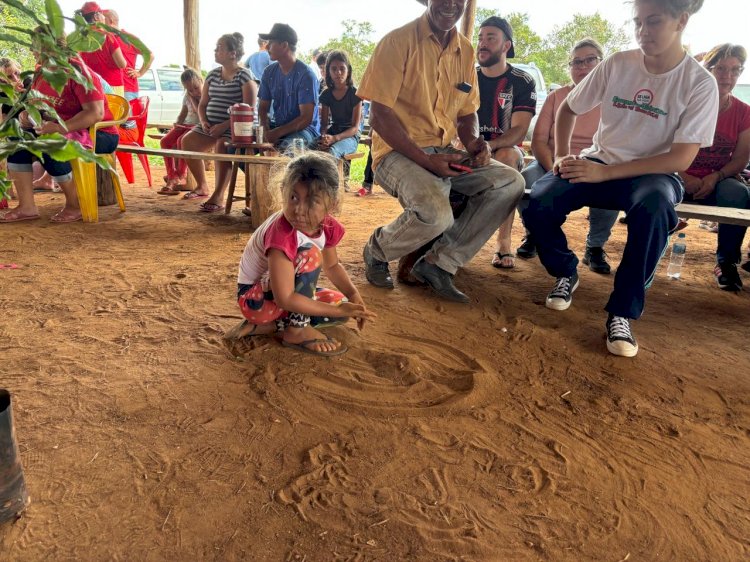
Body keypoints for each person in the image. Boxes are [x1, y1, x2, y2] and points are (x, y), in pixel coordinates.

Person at [522, 0, 719, 358]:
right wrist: (565, 155)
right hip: (599, 161)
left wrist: (605, 172)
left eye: (653, 22)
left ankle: (622, 311)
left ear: (682, 21)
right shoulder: (618, 64)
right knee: (538, 199)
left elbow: (681, 157)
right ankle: (566, 271)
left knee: (656, 207)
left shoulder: (700, 83)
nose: (643, 32)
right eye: (638, 23)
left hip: (652, 174)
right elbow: (569, 108)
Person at [358, 0, 525, 303]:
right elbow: (379, 116)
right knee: (436, 214)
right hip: (397, 153)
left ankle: (440, 262)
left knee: (510, 182)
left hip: (444, 151)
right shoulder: (397, 42)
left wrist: (474, 142)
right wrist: (426, 161)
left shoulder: (465, 50)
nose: (450, 5)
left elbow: (466, 113)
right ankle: (377, 250)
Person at [229, 151, 375, 356]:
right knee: (311, 255)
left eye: (312, 201)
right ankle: (296, 331)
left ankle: (274, 327)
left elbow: (332, 266)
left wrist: (354, 296)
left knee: (342, 305)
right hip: (256, 301)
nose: (299, 209)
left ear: (331, 204)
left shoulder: (327, 226)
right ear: (283, 192)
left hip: (279, 298)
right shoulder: (281, 232)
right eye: (293, 197)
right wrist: (336, 311)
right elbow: (285, 299)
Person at [519, 39, 620, 274]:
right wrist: (555, 165)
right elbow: (539, 141)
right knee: (525, 182)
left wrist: (593, 168)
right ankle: (537, 233)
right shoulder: (557, 97)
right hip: (551, 162)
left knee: (610, 187)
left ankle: (595, 246)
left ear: (602, 63)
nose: (582, 67)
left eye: (590, 60)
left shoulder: (615, 100)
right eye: (576, 62)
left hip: (596, 164)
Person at [1, 31, 120, 224]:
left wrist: (58, 128)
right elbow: (39, 104)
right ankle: (27, 206)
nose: (32, 50)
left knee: (50, 144)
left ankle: (75, 204)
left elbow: (95, 113)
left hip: (98, 133)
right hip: (64, 128)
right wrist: (26, 116)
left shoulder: (79, 73)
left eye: (35, 45)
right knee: (16, 139)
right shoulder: (42, 72)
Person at [678, 44, 750, 291]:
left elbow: (740, 159)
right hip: (676, 173)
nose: (727, 77)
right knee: (653, 188)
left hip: (718, 178)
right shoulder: (682, 104)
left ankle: (726, 262)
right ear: (705, 69)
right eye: (720, 68)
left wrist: (715, 177)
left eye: (735, 70)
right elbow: (660, 147)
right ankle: (645, 251)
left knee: (738, 194)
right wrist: (683, 174)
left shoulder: (743, 112)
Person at [475, 16, 537, 270]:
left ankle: (504, 241)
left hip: (504, 150)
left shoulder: (522, 81)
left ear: (506, 46)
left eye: (491, 38)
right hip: (469, 146)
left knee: (508, 157)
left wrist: (490, 146)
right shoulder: (467, 78)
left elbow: (519, 130)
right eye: (480, 38)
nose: (483, 44)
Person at [179, 33, 257, 212]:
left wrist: (223, 126)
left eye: (220, 48)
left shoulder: (244, 76)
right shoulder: (212, 75)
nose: (215, 50)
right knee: (187, 142)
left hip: (237, 127)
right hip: (210, 124)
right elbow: (203, 104)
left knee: (223, 144)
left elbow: (249, 109)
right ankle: (202, 185)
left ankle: (219, 196)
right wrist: (204, 120)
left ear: (233, 53)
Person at [257, 24, 320, 152]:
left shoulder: (306, 75)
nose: (267, 47)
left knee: (289, 149)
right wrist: (264, 129)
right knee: (239, 146)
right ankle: (259, 172)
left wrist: (276, 133)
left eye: (271, 42)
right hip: (279, 126)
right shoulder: (269, 72)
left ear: (284, 45)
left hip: (305, 131)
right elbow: (263, 108)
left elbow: (306, 118)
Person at [157, 68, 204, 195]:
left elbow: (201, 115)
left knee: (181, 141)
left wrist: (193, 98)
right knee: (165, 141)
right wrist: (177, 122)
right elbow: (183, 114)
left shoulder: (206, 94)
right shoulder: (187, 96)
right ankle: (172, 175)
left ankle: (181, 174)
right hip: (186, 125)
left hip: (198, 126)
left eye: (196, 87)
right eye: (190, 90)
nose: (194, 92)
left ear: (201, 81)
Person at [317, 51, 362, 161]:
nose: (338, 72)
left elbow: (355, 127)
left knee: (333, 151)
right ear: (328, 71)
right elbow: (323, 125)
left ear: (348, 70)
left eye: (342, 68)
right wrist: (324, 138)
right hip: (334, 131)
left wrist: (335, 138)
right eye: (334, 69)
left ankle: (332, 178)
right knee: (313, 148)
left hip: (351, 136)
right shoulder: (326, 94)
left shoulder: (355, 93)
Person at [77, 2, 127, 96]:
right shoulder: (107, 36)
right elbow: (122, 64)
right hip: (112, 86)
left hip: (91, 85)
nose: (104, 17)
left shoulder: (81, 37)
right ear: (96, 17)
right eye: (102, 15)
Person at [103, 9, 153, 102]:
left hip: (128, 90)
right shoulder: (105, 38)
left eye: (103, 19)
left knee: (128, 116)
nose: (100, 22)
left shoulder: (129, 38)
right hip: (111, 88)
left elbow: (150, 55)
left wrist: (140, 73)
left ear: (110, 21)